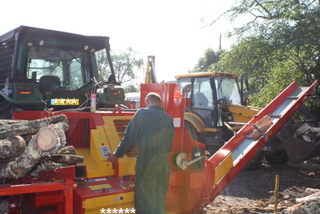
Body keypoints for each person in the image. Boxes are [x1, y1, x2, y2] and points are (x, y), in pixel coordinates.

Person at [107, 92, 175, 214]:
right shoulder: (167, 117)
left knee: (145, 200)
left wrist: (117, 155)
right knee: (159, 199)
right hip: (164, 164)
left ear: (147, 101)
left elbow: (130, 137)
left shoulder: (142, 113)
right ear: (160, 103)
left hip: (147, 163)